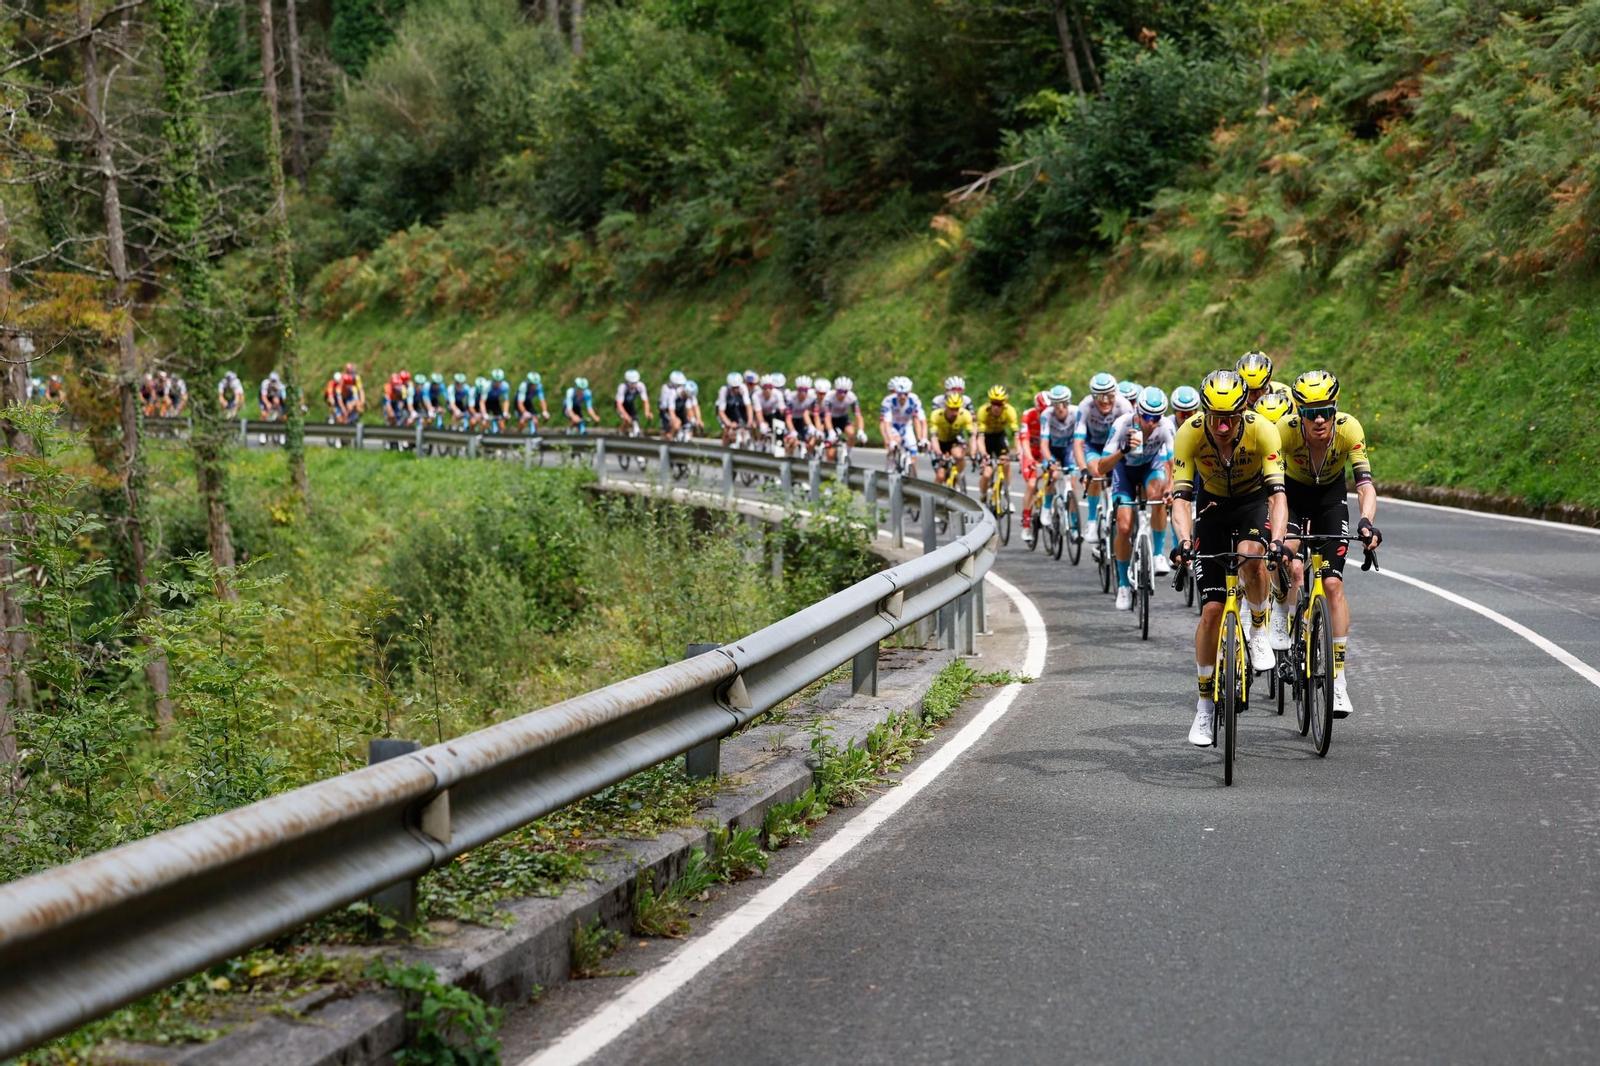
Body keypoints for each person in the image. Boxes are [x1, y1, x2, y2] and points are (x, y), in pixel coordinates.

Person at [1169, 370, 1289, 747]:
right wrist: (1185, 541)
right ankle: (1204, 707)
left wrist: (1280, 540)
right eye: (1215, 417)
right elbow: (1181, 499)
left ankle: (1257, 629)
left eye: (1231, 417)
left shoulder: (1262, 431)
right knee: (1211, 612)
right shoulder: (1189, 432)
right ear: (1205, 411)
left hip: (1253, 504)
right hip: (1213, 508)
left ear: (1242, 411)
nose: (1222, 426)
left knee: (1251, 554)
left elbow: (1278, 497)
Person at [1272, 370, 1381, 717]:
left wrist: (1366, 521)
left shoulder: (1349, 429)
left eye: (1325, 411)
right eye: (1309, 413)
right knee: (1284, 555)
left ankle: (1338, 679)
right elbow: (1271, 488)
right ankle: (1279, 608)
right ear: (1298, 413)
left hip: (1331, 500)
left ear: (1335, 409)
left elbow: (1364, 485)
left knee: (1333, 584)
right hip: (1293, 497)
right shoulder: (1282, 432)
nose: (1319, 419)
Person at [1095, 386, 1176, 609]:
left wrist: (1171, 489)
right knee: (1123, 528)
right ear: (1138, 413)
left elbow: (1174, 464)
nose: (1152, 423)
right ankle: (1122, 584)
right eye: (1148, 417)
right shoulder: (1122, 425)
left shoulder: (1165, 426)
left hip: (1151, 467)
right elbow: (1102, 467)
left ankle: (1158, 554)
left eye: (1157, 417)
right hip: (1125, 472)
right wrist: (1122, 449)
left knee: (1158, 495)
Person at [1072, 373, 1133, 535]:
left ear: (1115, 393)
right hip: (1094, 447)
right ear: (1093, 396)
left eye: (1110, 395)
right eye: (1100, 396)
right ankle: (1091, 520)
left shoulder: (1124, 405)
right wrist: (1083, 469)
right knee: (1097, 472)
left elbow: (1134, 436)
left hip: (1116, 449)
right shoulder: (1085, 406)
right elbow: (1078, 442)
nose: (1105, 400)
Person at [1038, 384, 1077, 535]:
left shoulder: (1076, 412)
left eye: (1064, 403)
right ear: (1052, 404)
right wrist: (1050, 461)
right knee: (1053, 475)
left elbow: (1080, 439)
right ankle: (1047, 507)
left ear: (1069, 402)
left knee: (1072, 482)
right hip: (1052, 449)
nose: (1060, 408)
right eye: (1056, 404)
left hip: (1068, 448)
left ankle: (1074, 523)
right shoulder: (1046, 415)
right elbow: (1043, 443)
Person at [975, 385, 1021, 505]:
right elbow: (980, 439)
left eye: (999, 404)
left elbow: (1016, 436)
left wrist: (1019, 452)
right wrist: (984, 455)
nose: (996, 407)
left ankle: (1006, 493)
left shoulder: (1010, 411)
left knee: (1006, 463)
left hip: (999, 437)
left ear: (1005, 403)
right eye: (993, 403)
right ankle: (983, 497)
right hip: (985, 439)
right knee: (987, 473)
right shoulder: (983, 412)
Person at [878, 376, 926, 476]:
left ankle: (912, 478)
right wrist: (890, 439)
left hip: (906, 426)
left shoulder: (914, 399)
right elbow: (886, 423)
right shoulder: (888, 401)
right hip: (893, 426)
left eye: (905, 394)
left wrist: (923, 438)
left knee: (913, 455)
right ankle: (890, 465)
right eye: (900, 394)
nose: (903, 397)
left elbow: (922, 420)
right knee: (895, 443)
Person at [1019, 392, 1049, 546]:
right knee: (1031, 484)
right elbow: (1023, 440)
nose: (1044, 415)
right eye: (1041, 412)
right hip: (1029, 450)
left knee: (1052, 476)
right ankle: (1026, 523)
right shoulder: (1028, 415)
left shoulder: (1051, 417)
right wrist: (1030, 457)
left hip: (1044, 451)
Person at [929, 392, 975, 486]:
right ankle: (934, 498)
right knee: (940, 476)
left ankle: (959, 476)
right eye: (951, 409)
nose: (954, 413)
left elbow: (972, 436)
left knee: (958, 456)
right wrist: (939, 453)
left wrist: (973, 452)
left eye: (957, 409)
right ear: (946, 406)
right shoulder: (936, 415)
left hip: (954, 441)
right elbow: (934, 438)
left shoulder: (965, 415)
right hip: (939, 443)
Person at [820, 377, 866, 459]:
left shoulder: (852, 397)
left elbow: (858, 416)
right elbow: (827, 416)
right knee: (830, 454)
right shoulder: (829, 397)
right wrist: (831, 431)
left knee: (851, 433)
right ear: (836, 390)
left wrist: (861, 431)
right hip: (831, 420)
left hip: (843, 418)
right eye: (840, 392)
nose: (842, 394)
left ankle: (848, 455)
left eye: (845, 392)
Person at [753, 374, 796, 452]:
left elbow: (782, 411)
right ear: (762, 388)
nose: (768, 390)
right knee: (758, 426)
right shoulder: (756, 395)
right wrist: (762, 423)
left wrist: (783, 427)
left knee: (778, 426)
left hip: (772, 415)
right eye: (765, 388)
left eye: (770, 387)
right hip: (761, 414)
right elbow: (758, 412)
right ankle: (758, 443)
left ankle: (778, 446)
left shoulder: (777, 394)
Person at [786, 375, 820, 452]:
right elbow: (788, 418)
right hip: (792, 420)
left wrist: (817, 430)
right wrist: (792, 431)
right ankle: (788, 459)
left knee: (810, 440)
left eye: (805, 390)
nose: (803, 393)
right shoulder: (790, 397)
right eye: (801, 390)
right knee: (791, 441)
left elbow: (816, 415)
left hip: (802, 421)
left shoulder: (813, 397)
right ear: (797, 389)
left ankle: (808, 458)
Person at [717, 372, 753, 445]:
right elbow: (721, 412)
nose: (736, 389)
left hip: (736, 408)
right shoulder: (724, 390)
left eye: (737, 387)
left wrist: (749, 421)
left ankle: (744, 446)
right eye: (734, 387)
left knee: (743, 429)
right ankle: (724, 448)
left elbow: (748, 406)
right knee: (727, 430)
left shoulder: (743, 388)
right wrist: (729, 424)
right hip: (725, 410)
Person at [616, 369, 651, 435]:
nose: (634, 385)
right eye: (632, 383)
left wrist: (647, 412)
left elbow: (645, 401)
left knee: (635, 419)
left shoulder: (641, 386)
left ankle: (635, 433)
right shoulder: (622, 387)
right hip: (621, 405)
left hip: (630, 404)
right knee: (626, 419)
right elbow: (619, 404)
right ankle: (620, 432)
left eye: (636, 383)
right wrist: (625, 415)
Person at [479, 368, 511, 433]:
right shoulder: (487, 386)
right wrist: (484, 414)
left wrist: (505, 411)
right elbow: (482, 402)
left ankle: (501, 439)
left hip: (495, 402)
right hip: (486, 403)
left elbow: (506, 400)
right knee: (484, 423)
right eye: (496, 381)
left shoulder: (505, 386)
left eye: (499, 382)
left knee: (501, 423)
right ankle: (480, 435)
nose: (497, 383)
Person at [659, 371, 687, 438]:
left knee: (683, 425)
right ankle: (668, 437)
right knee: (675, 425)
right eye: (678, 385)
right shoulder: (667, 389)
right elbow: (667, 406)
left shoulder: (679, 390)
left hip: (675, 409)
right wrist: (673, 419)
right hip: (666, 410)